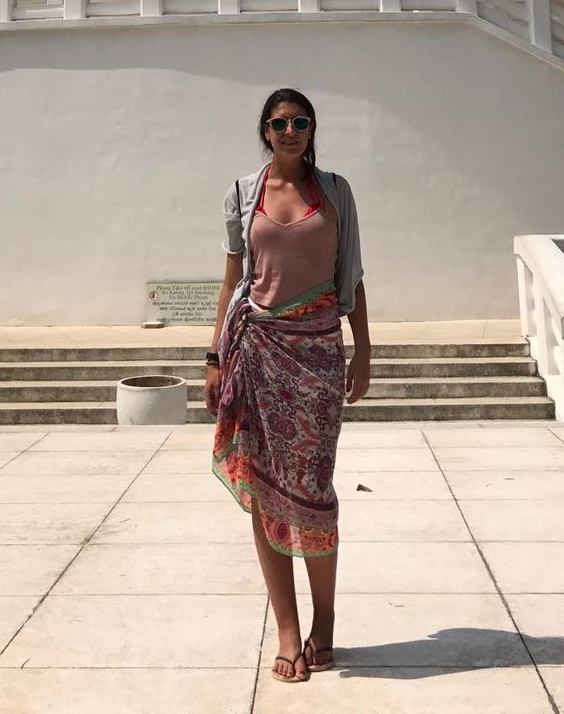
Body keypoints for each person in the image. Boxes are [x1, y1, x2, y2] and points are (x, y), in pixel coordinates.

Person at [206, 88, 370, 683]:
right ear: (265, 131)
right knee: (263, 489)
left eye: (301, 121)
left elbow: (350, 272)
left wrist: (364, 349)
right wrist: (215, 357)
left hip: (319, 355)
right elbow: (231, 283)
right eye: (280, 123)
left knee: (314, 489)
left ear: (311, 129)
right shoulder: (244, 195)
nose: (290, 130)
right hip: (256, 352)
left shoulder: (335, 193)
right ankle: (288, 628)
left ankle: (325, 622)